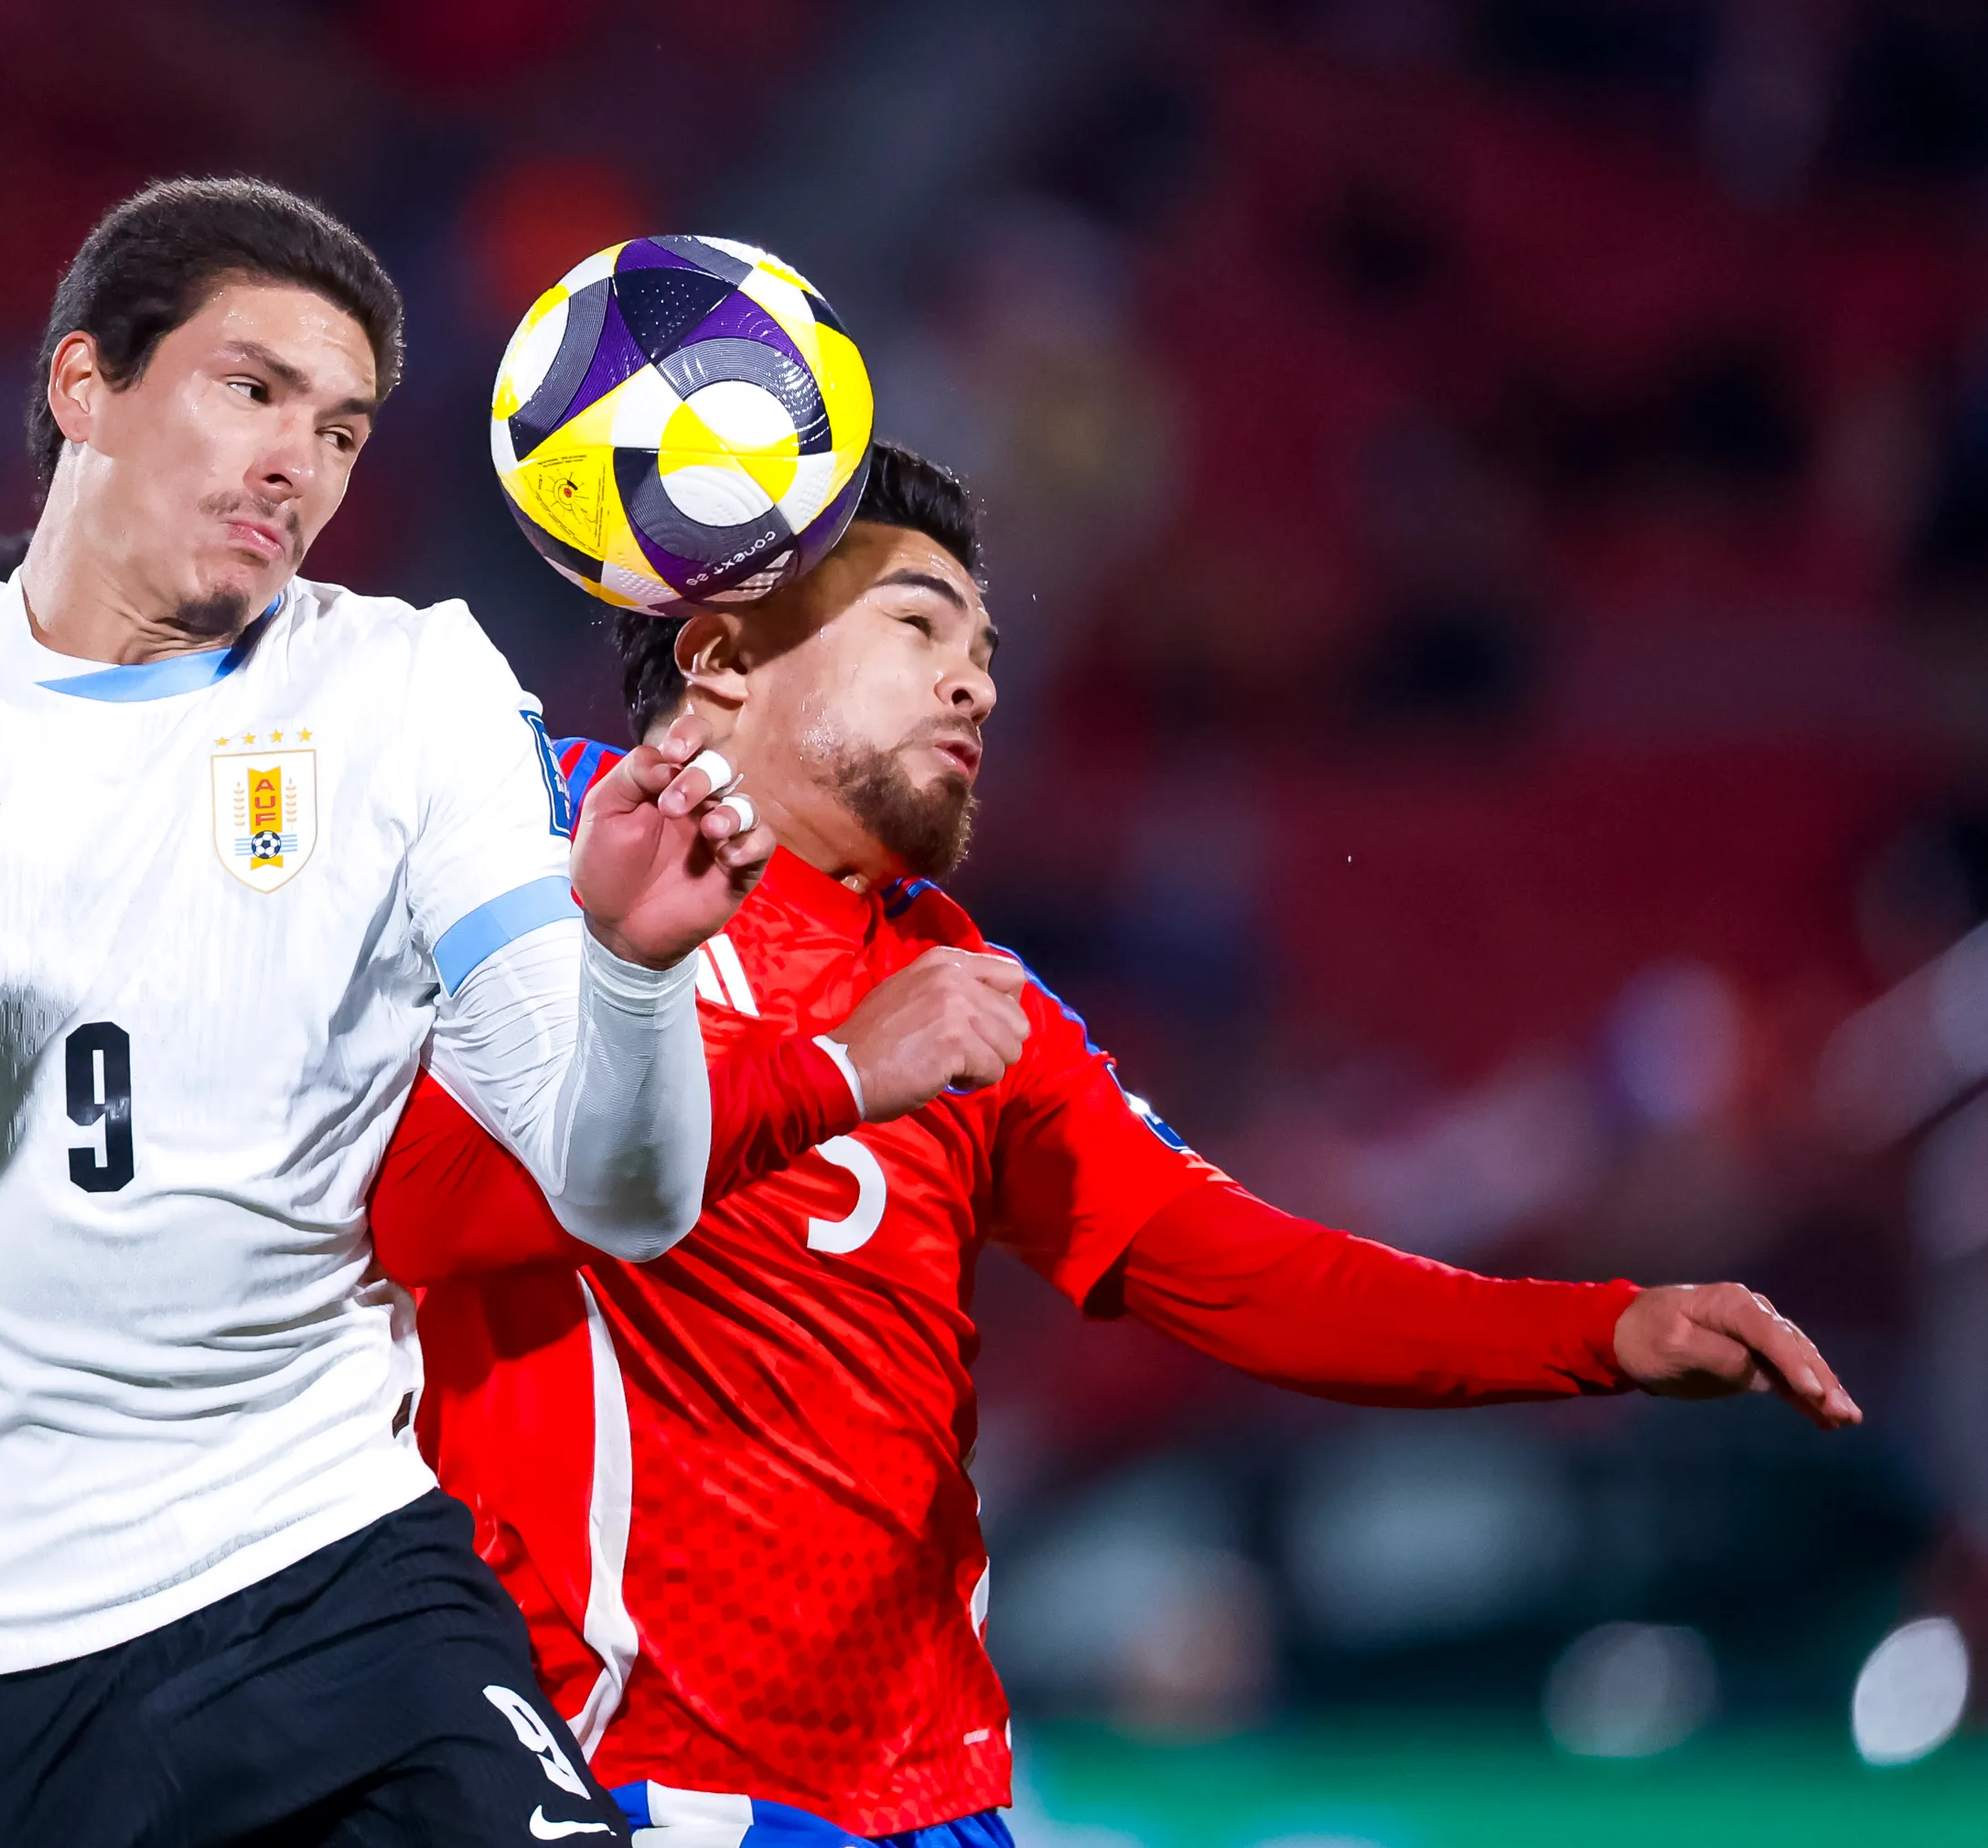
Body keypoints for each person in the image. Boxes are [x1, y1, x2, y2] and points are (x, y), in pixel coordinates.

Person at [366, 441, 1863, 1846]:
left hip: (931, 1800)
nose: (975, 690)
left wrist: (1606, 1329)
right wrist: (827, 1076)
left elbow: (1236, 1271)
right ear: (724, 657)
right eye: (918, 630)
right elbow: (420, 1217)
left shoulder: (952, 982)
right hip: (642, 1786)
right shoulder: (534, 867)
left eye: (985, 653)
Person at [0, 177, 771, 1847]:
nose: (297, 463)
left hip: (344, 1570)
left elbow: (626, 1202)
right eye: (250, 389)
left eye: (338, 431)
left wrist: (632, 975)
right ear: (83, 389)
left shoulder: (411, 688)